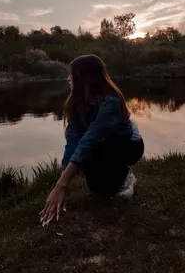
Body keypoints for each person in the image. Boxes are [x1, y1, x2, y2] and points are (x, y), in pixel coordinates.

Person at [40, 55, 144, 226]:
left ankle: (125, 175)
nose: (68, 78)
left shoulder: (111, 101)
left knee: (95, 145)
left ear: (84, 77)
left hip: (127, 146)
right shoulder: (76, 102)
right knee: (99, 191)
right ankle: (113, 176)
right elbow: (73, 140)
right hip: (101, 144)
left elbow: (92, 139)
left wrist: (63, 184)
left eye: (72, 74)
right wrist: (63, 179)